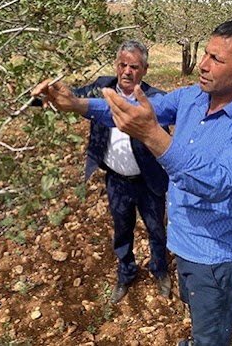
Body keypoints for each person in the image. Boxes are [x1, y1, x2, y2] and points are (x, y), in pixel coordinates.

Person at [33, 20, 232, 346]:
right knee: (196, 311)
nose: (202, 65)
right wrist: (78, 104)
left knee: (212, 336)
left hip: (216, 257)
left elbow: (221, 182)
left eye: (217, 60)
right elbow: (133, 109)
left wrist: (152, 135)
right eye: (205, 54)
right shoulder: (191, 98)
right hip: (184, 244)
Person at [69, 40, 171, 304]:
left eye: (134, 66)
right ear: (116, 65)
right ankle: (126, 274)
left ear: (145, 70)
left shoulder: (156, 100)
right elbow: (70, 98)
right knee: (122, 230)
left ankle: (160, 271)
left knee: (156, 229)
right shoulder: (101, 89)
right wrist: (40, 97)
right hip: (116, 180)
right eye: (122, 64)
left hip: (148, 181)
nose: (127, 71)